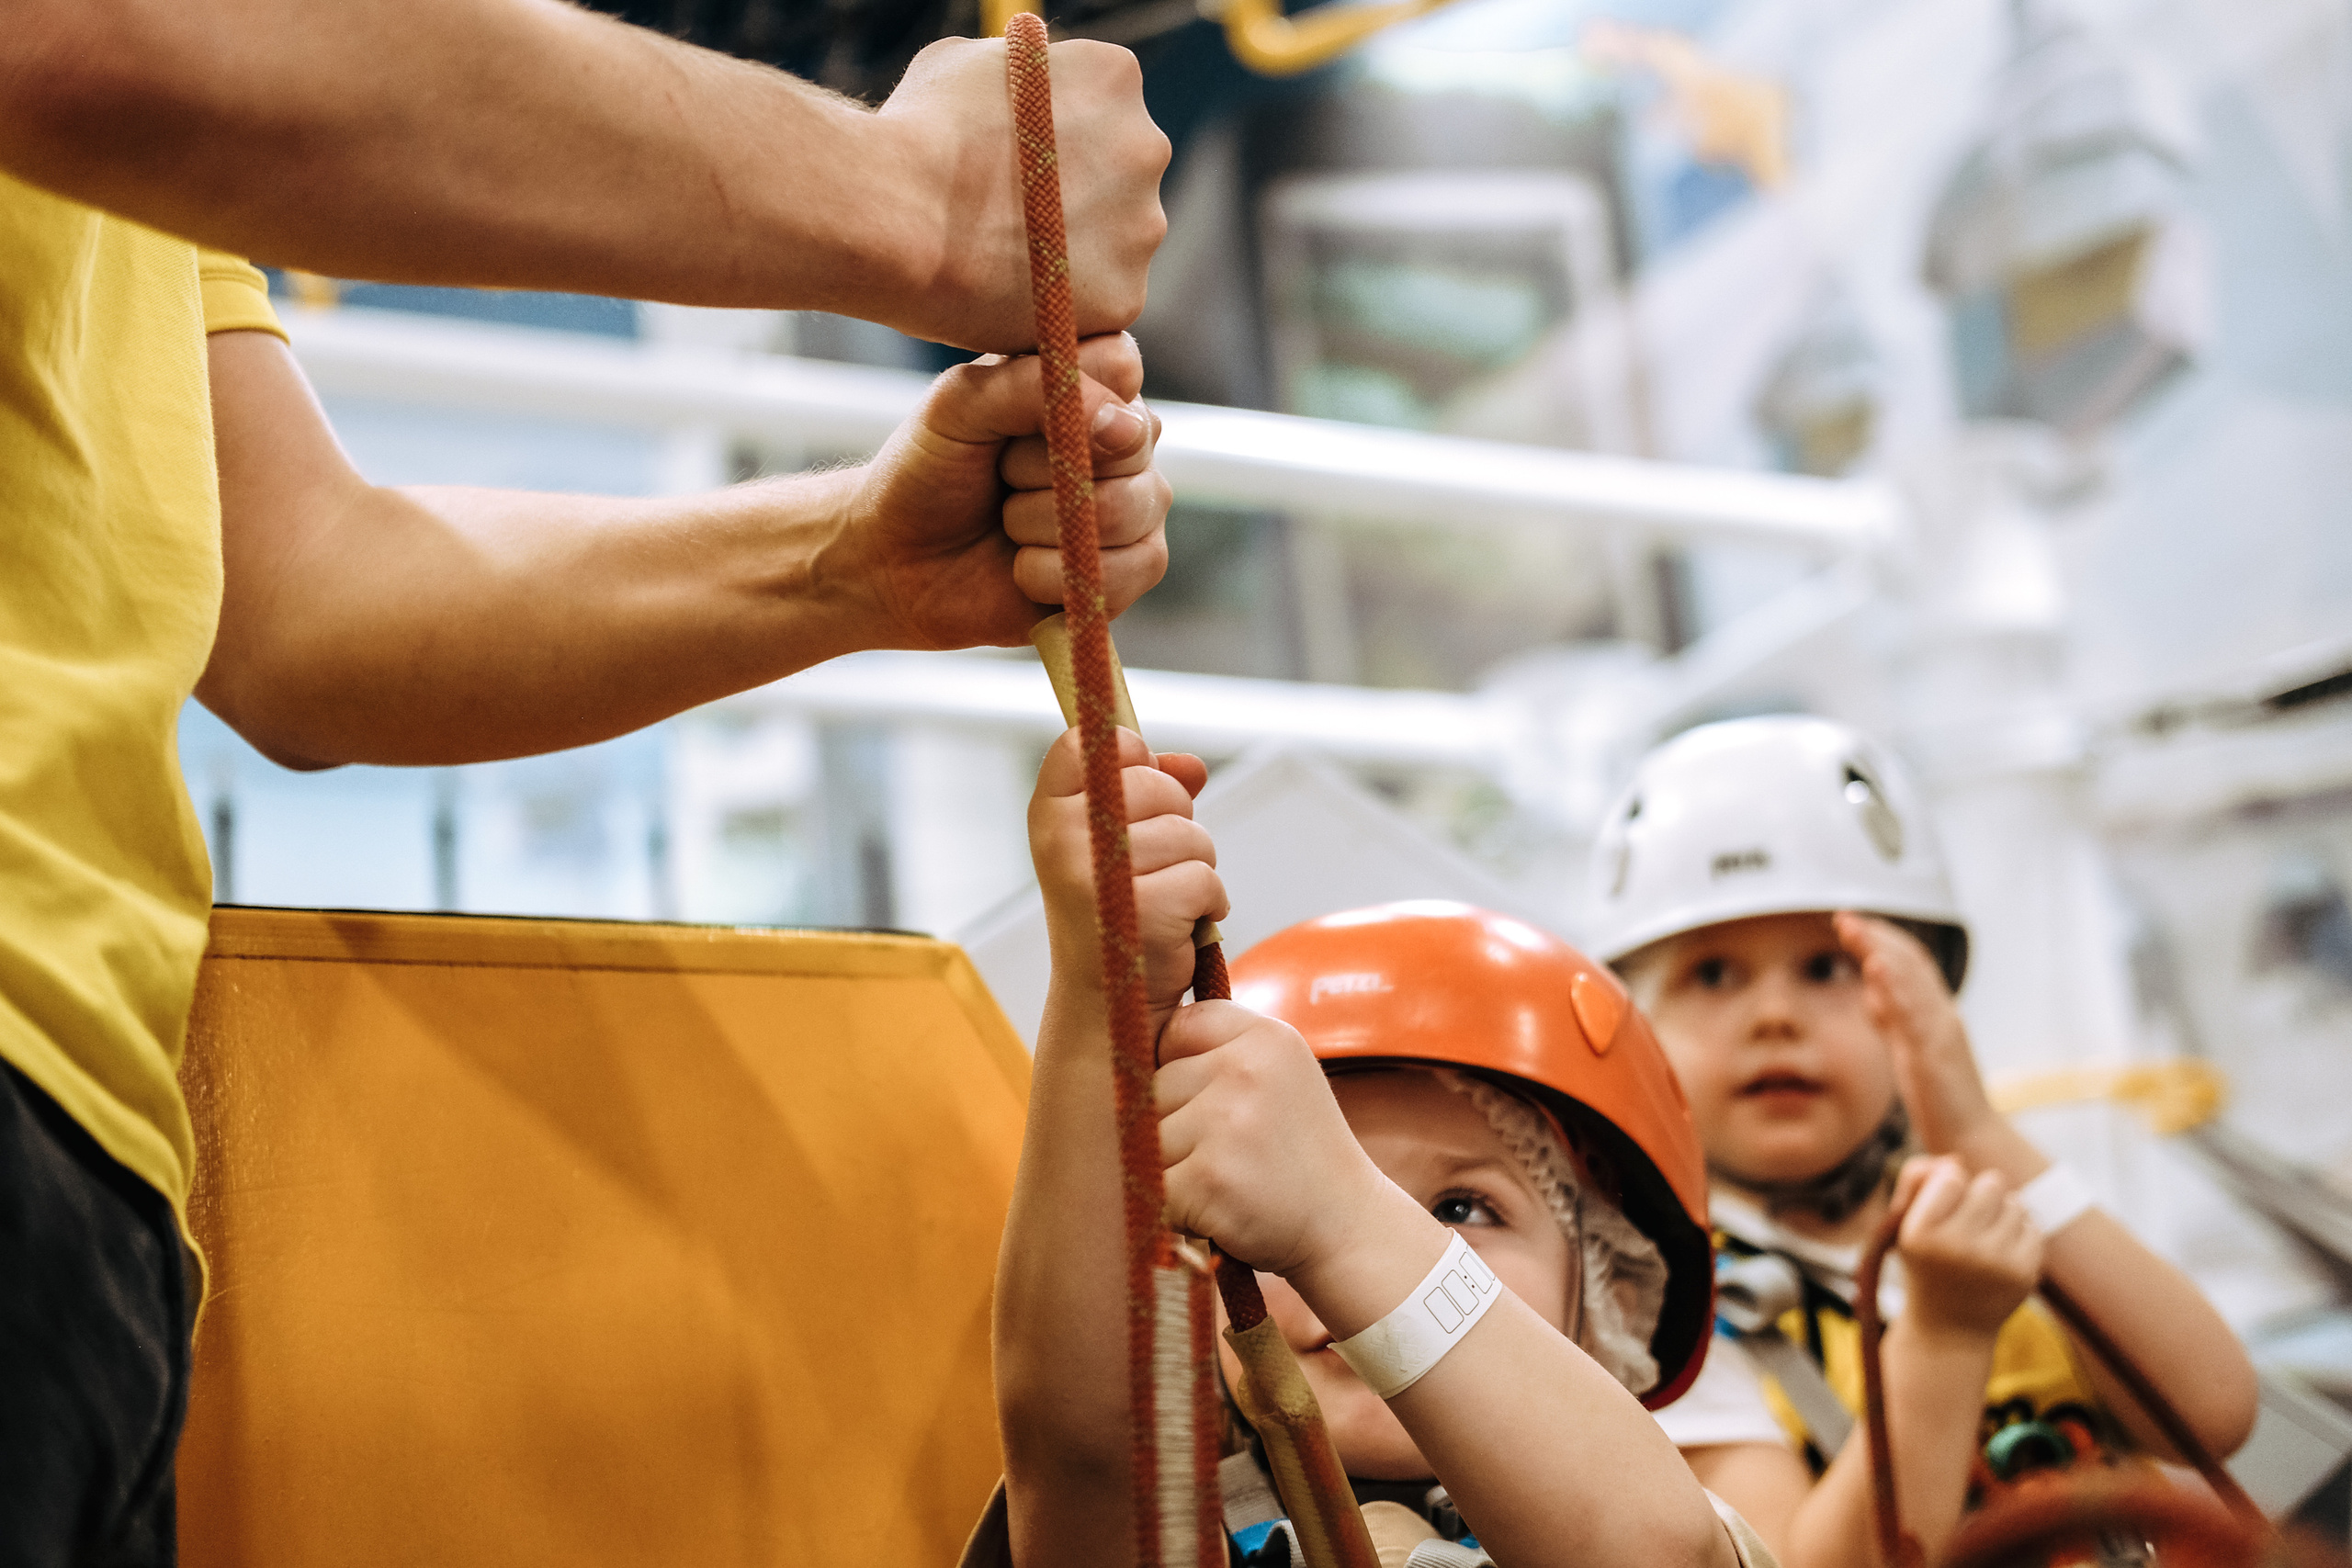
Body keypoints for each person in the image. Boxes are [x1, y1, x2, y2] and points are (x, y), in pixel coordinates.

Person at [1, 7, 1170, 1559]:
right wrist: (925, 195)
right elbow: (101, 44)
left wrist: (855, 560)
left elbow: (295, 602)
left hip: (96, 1167)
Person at [983, 727, 1776, 1568]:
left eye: (1462, 1207)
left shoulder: (1649, 1507)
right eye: (1272, 1214)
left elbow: (1657, 1551)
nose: (1350, 1281)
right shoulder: (1186, 1534)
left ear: (1613, 1295)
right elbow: (1079, 1458)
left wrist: (1343, 1219)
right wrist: (1107, 998)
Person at [1584, 716, 2258, 1568]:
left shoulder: (1999, 1208)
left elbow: (2213, 1411)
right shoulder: (1669, 1311)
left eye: (1828, 966)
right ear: (1632, 1029)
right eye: (1712, 974)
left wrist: (1976, 1132)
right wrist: (1944, 1333)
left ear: (1924, 995)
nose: (1774, 1015)